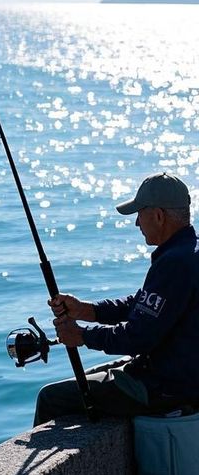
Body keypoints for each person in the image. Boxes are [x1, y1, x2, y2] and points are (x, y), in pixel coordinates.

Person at [34, 172, 199, 426]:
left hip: (167, 388)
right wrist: (88, 310)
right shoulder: (189, 253)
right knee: (88, 378)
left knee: (51, 397)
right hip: (181, 377)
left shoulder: (174, 263)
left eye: (139, 214)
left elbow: (138, 338)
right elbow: (142, 304)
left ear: (158, 216)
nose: (136, 224)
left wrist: (82, 336)